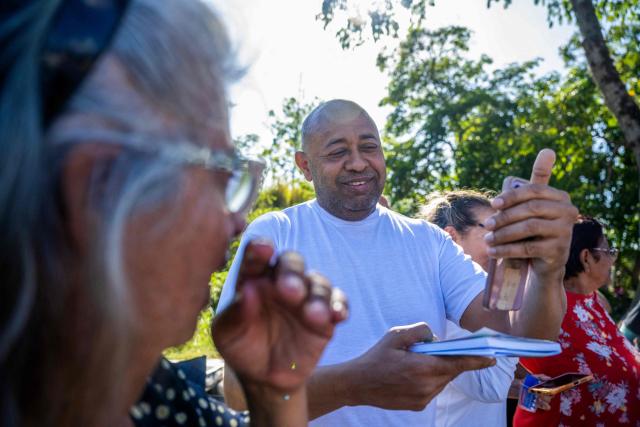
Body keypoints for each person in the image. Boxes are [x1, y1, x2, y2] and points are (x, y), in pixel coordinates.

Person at [0, 1, 347, 426]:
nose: (236, 223)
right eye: (220, 174)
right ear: (96, 191)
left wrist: (277, 390)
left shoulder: (154, 391)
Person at [217, 99, 578, 426]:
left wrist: (549, 268)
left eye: (369, 147)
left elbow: (518, 331)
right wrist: (355, 384)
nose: (358, 162)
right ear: (305, 165)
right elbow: (236, 391)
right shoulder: (278, 234)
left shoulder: (429, 241)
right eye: (337, 151)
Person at [419, 190, 551, 427]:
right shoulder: (443, 309)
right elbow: (488, 387)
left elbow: (470, 383)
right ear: (451, 237)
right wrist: (511, 284)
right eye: (496, 232)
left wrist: (521, 388)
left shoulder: (473, 303)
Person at [514, 217, 640, 425]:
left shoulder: (596, 301)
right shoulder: (545, 307)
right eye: (608, 251)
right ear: (586, 257)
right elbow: (516, 369)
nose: (613, 259)